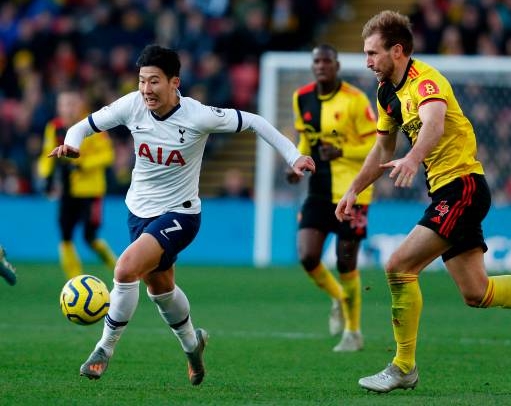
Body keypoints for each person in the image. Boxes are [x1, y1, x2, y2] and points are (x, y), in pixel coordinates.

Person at [335, 10, 511, 393]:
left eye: (372, 53)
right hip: (450, 190)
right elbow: (382, 146)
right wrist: (354, 188)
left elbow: (433, 123)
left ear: (397, 50)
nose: (366, 61)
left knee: (399, 266)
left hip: (461, 187)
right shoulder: (387, 94)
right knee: (476, 293)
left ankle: (403, 367)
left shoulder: (426, 82)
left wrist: (414, 158)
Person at [48, 44, 315, 385]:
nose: (146, 89)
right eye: (143, 80)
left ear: (175, 82)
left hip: (181, 214)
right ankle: (193, 345)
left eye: (155, 81)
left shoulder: (197, 115)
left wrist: (293, 156)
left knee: (125, 268)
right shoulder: (132, 105)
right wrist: (73, 143)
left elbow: (254, 121)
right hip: (138, 212)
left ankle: (104, 349)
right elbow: (83, 126)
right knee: (160, 290)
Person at [287, 43, 377, 352]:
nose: (321, 66)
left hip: (354, 192)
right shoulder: (302, 98)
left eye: (327, 61)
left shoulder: (355, 100)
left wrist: (343, 151)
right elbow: (305, 138)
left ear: (337, 65)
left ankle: (353, 332)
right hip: (318, 190)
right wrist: (296, 163)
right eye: (316, 61)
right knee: (307, 256)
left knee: (345, 261)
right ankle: (340, 298)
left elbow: (378, 146)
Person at [38, 88, 117, 280]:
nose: (68, 109)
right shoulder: (54, 127)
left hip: (91, 191)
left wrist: (83, 164)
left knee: (90, 238)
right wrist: (46, 176)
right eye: (64, 104)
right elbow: (48, 154)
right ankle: (75, 282)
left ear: (80, 105)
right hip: (67, 191)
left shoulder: (92, 125)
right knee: (65, 237)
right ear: (58, 107)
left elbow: (108, 155)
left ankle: (120, 270)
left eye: (72, 104)